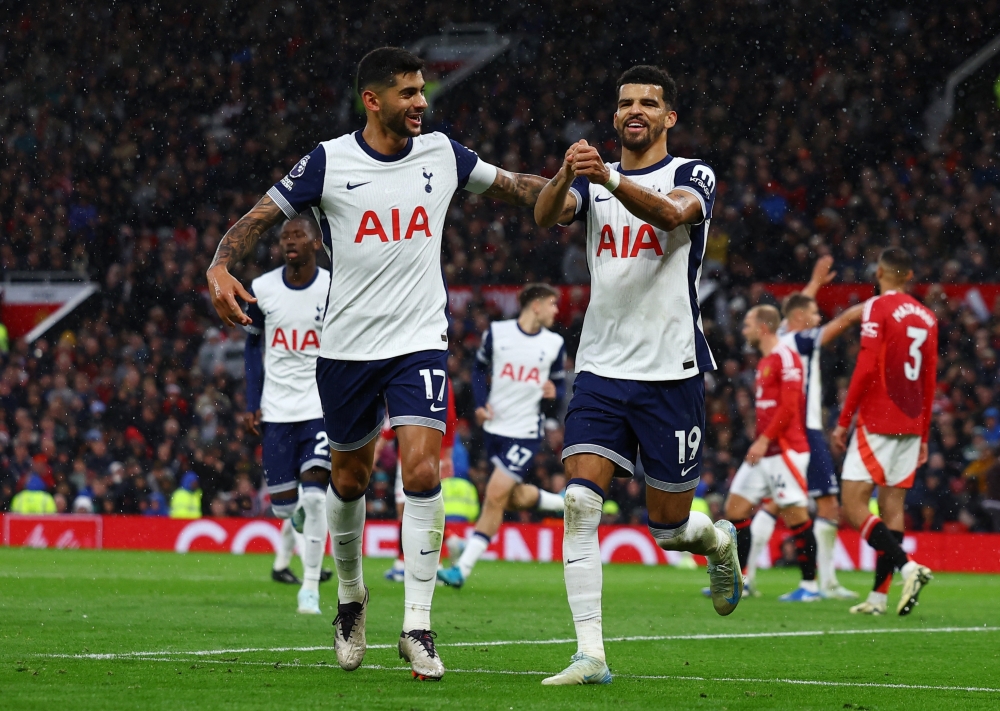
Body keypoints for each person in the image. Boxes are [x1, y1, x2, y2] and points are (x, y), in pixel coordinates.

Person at [205, 47, 550, 680]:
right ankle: (350, 599)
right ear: (374, 99)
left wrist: (574, 191)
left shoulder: (443, 154)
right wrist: (220, 265)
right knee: (349, 481)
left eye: (424, 91)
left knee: (420, 471)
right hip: (345, 349)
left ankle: (417, 624)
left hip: (418, 340)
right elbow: (258, 217)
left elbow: (514, 186)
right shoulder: (329, 161)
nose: (422, 102)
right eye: (409, 92)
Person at [534, 64, 741, 686]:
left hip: (671, 370)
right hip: (600, 364)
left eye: (649, 103)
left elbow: (673, 216)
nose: (635, 111)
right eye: (625, 102)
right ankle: (591, 655)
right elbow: (547, 215)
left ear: (668, 117)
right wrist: (567, 172)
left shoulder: (691, 174)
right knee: (578, 502)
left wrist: (610, 177)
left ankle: (717, 542)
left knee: (670, 526)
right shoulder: (595, 183)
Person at [743, 257, 864, 599]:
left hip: (784, 432)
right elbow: (840, 322)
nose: (818, 317)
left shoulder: (779, 337)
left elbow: (794, 310)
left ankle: (749, 578)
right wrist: (872, 304)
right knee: (826, 503)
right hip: (805, 430)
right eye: (813, 313)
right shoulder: (801, 340)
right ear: (800, 319)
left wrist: (814, 283)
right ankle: (821, 582)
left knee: (774, 502)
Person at [438, 283, 567, 588]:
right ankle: (565, 504)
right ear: (535, 305)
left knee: (495, 496)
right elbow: (479, 369)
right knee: (512, 496)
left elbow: (559, 389)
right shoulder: (498, 333)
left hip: (525, 432)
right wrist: (480, 405)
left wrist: (553, 392)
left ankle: (462, 569)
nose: (556, 311)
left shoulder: (554, 343)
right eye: (552, 304)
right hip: (495, 429)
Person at [832, 248, 937, 616]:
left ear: (879, 272)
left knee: (853, 503)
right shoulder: (927, 317)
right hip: (911, 422)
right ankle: (878, 598)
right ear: (908, 275)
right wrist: (923, 435)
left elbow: (864, 366)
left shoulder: (877, 306)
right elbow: (929, 379)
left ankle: (909, 567)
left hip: (878, 418)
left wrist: (844, 419)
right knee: (892, 507)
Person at [242, 216, 333, 615]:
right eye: (284, 237)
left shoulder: (333, 286)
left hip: (319, 407)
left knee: (315, 500)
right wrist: (251, 401)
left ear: (315, 242)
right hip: (277, 409)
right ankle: (293, 528)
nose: (289, 242)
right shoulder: (262, 289)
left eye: (297, 236)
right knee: (285, 507)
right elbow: (251, 348)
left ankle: (309, 586)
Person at [724, 305, 820, 602]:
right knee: (735, 510)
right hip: (765, 451)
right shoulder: (766, 360)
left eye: (748, 325)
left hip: (785, 451)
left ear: (763, 327)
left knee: (796, 517)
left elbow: (790, 407)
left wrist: (764, 440)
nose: (744, 330)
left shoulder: (786, 357)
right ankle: (742, 579)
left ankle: (810, 587)